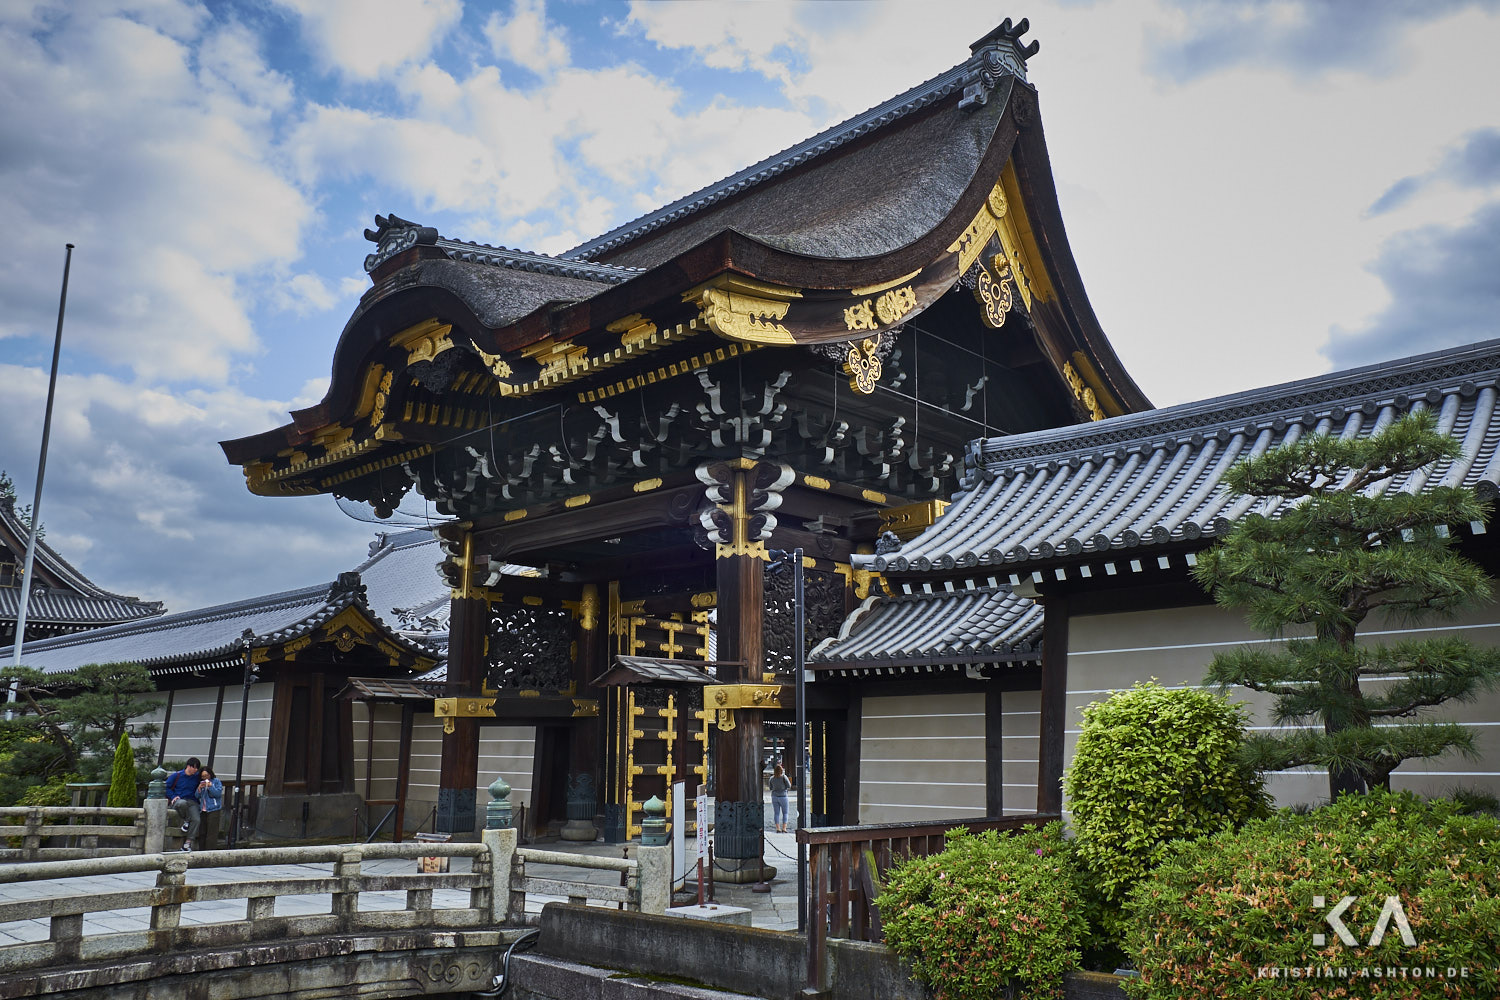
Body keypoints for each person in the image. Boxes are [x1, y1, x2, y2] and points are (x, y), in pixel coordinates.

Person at [165, 757, 202, 852]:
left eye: (197, 768)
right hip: (179, 800)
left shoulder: (197, 777)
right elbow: (166, 787)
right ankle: (187, 821)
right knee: (182, 803)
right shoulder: (176, 775)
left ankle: (188, 843)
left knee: (197, 819)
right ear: (188, 766)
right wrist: (173, 796)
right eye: (194, 767)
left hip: (192, 801)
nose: (196, 770)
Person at [196, 765, 224, 851]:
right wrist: (199, 789)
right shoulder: (201, 783)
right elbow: (197, 796)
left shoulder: (216, 781)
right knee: (202, 832)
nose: (205, 778)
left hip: (214, 809)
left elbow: (218, 794)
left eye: (206, 775)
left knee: (212, 832)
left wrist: (210, 786)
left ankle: (210, 851)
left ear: (210, 774)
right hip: (203, 810)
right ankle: (201, 850)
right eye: (203, 776)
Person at [769, 763, 792, 834]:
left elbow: (770, 788)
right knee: (785, 813)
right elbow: (789, 785)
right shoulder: (783, 777)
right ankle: (784, 828)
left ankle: (778, 828)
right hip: (783, 796)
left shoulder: (771, 778)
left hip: (774, 796)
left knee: (776, 813)